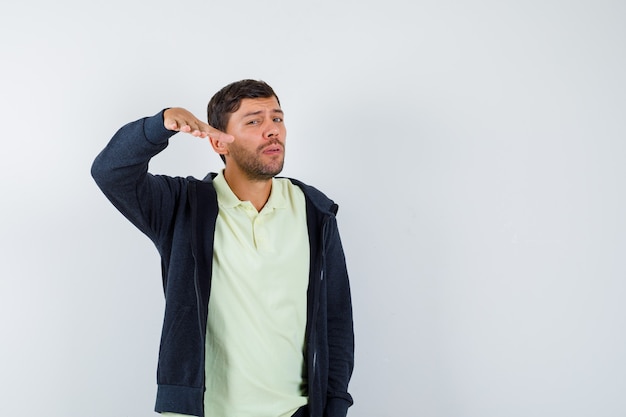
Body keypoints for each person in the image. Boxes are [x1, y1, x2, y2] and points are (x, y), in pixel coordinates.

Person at [91, 79, 354, 417]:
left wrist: (335, 406)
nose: (272, 130)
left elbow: (336, 318)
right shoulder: (183, 207)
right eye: (254, 121)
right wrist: (160, 124)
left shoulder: (315, 211)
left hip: (296, 411)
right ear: (219, 142)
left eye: (277, 118)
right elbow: (110, 171)